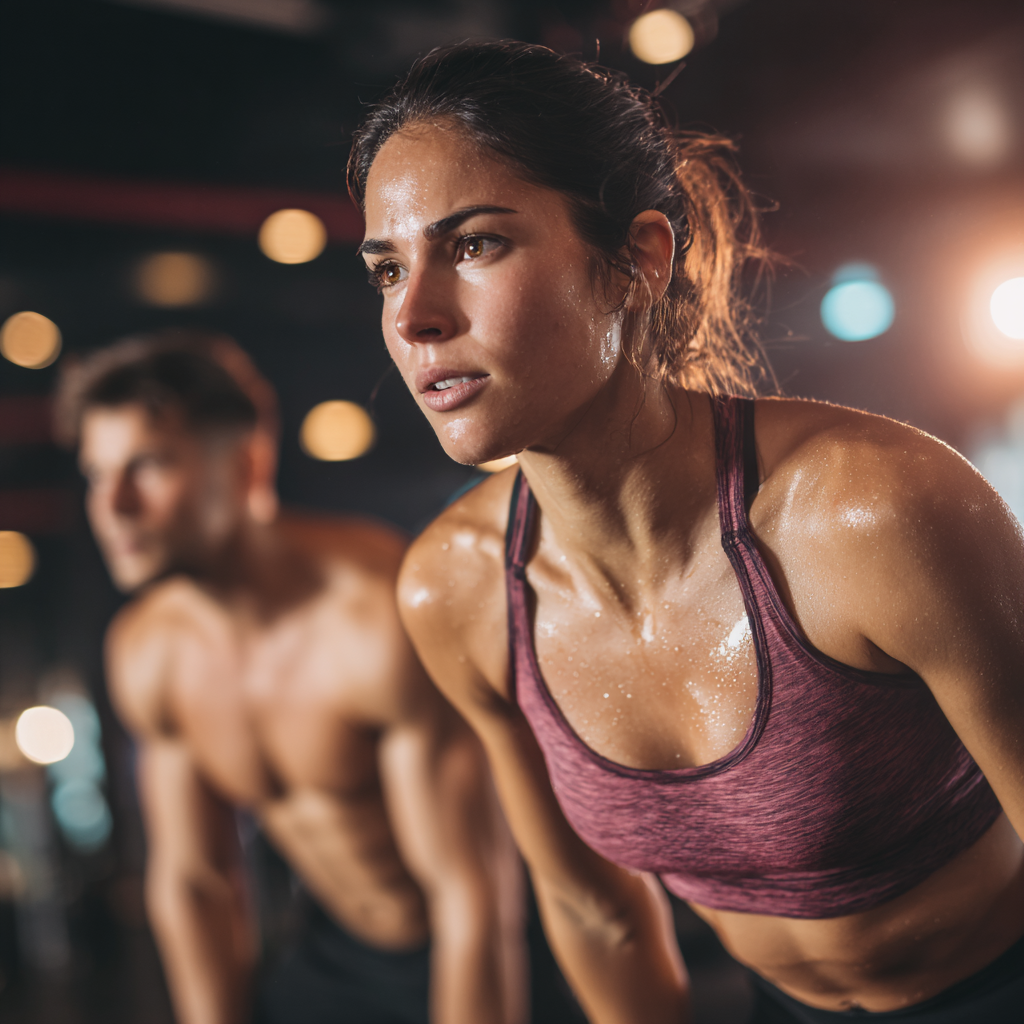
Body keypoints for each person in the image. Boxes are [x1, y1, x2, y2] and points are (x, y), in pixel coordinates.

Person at [346, 41, 1024, 1024]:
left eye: (475, 245)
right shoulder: (451, 593)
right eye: (385, 270)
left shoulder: (874, 511)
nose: (414, 316)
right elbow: (596, 915)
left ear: (639, 258)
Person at [55, 333, 528, 1024]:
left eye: (147, 465)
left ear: (246, 463)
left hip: (500, 940)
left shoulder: (373, 616)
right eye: (96, 474)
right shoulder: (146, 651)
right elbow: (196, 882)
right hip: (340, 953)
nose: (113, 504)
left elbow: (473, 897)